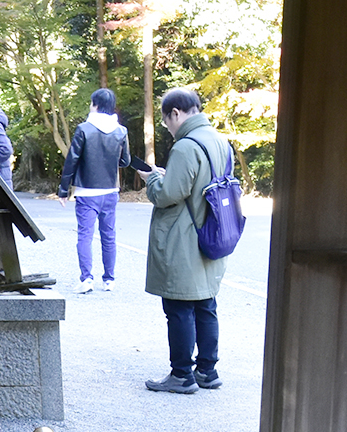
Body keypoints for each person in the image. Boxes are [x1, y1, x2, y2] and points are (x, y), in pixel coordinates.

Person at [143, 87, 233, 394]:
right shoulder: (220, 141)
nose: (168, 128)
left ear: (176, 114)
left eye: (167, 121)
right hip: (213, 233)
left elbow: (168, 195)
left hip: (184, 239)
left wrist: (153, 179)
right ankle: (207, 370)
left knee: (179, 306)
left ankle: (181, 374)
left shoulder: (185, 147)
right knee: (206, 304)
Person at [57, 87, 146, 293]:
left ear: (95, 105)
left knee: (85, 235)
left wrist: (63, 190)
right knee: (108, 235)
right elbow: (125, 161)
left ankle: (87, 279)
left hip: (86, 192)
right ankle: (109, 280)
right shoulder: (121, 131)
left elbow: (72, 161)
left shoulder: (84, 129)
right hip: (110, 191)